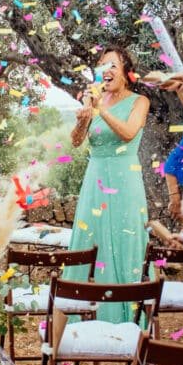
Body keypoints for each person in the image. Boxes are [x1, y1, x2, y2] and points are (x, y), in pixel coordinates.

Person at [63, 46, 151, 323]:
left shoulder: (140, 101)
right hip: (95, 179)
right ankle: (79, 318)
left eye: (113, 65)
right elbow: (76, 141)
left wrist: (100, 108)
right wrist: (83, 120)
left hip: (125, 179)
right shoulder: (93, 100)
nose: (107, 70)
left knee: (125, 240)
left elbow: (128, 133)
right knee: (89, 240)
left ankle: (127, 318)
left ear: (126, 72)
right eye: (103, 65)